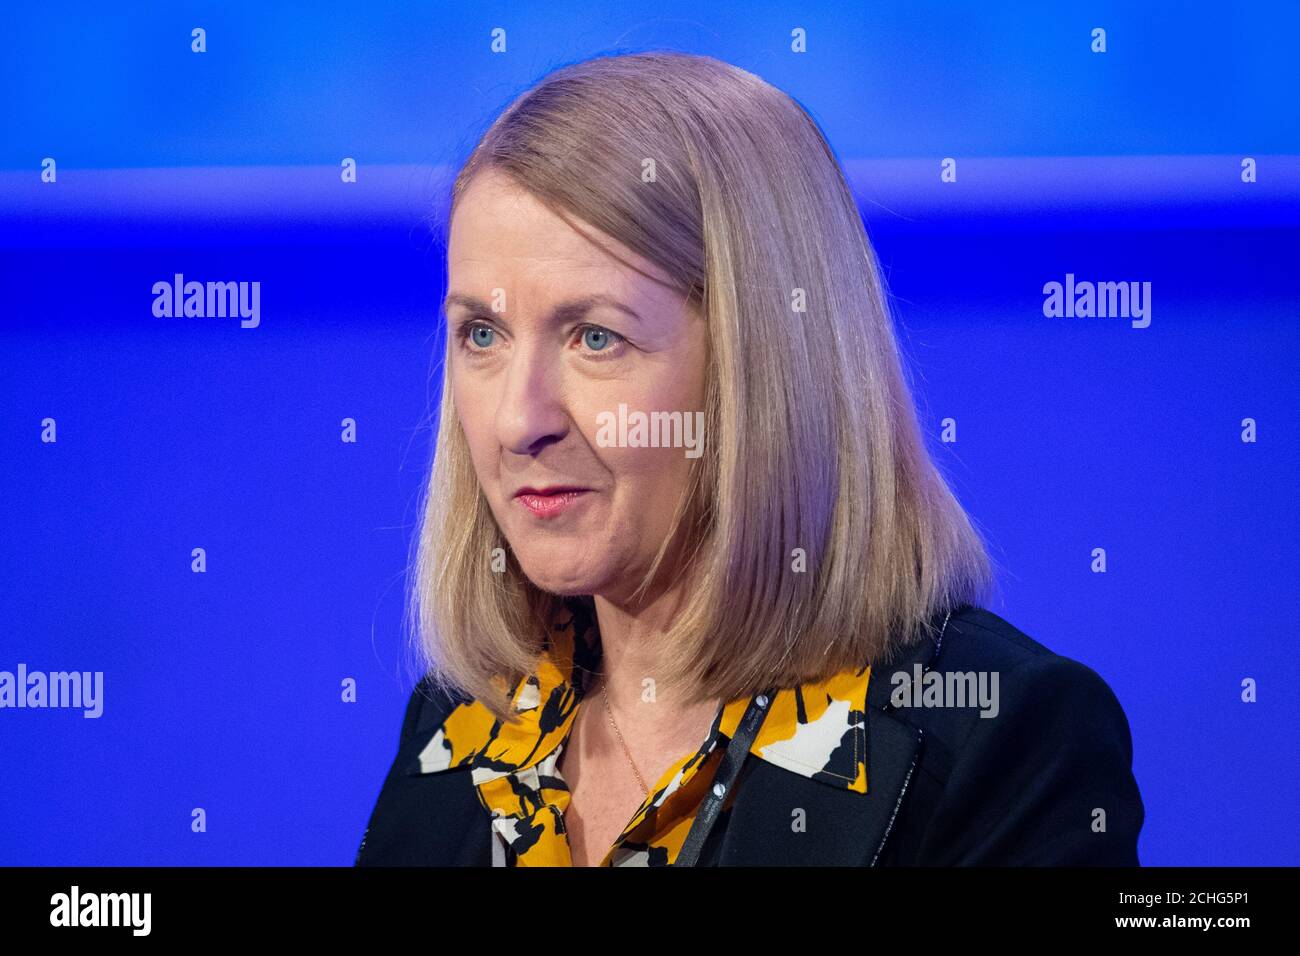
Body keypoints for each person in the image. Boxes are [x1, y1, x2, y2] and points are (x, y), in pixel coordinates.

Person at [355, 50, 1144, 867]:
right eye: (482, 334)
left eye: (596, 337)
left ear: (761, 363)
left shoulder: (998, 736)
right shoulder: (465, 727)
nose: (519, 421)